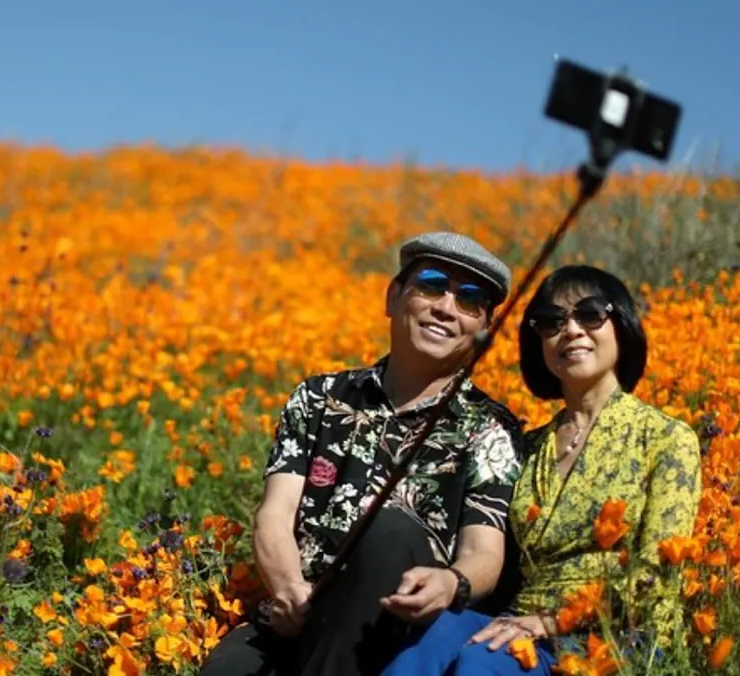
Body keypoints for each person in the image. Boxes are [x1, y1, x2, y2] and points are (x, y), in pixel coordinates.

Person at [198, 231, 529, 676]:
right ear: (393, 297)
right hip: (298, 612)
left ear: (485, 328)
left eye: (470, 299)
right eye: (432, 285)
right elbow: (275, 514)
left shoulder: (491, 428)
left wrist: (452, 582)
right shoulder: (319, 397)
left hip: (395, 632)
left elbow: (483, 550)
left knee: (390, 531)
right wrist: (289, 589)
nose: (446, 308)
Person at [381, 264, 703, 676]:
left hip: (617, 636)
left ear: (621, 325)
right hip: (521, 623)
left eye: (590, 314)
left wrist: (552, 622)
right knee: (431, 636)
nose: (571, 330)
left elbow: (658, 575)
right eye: (552, 322)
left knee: (483, 662)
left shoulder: (664, 439)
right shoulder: (526, 447)